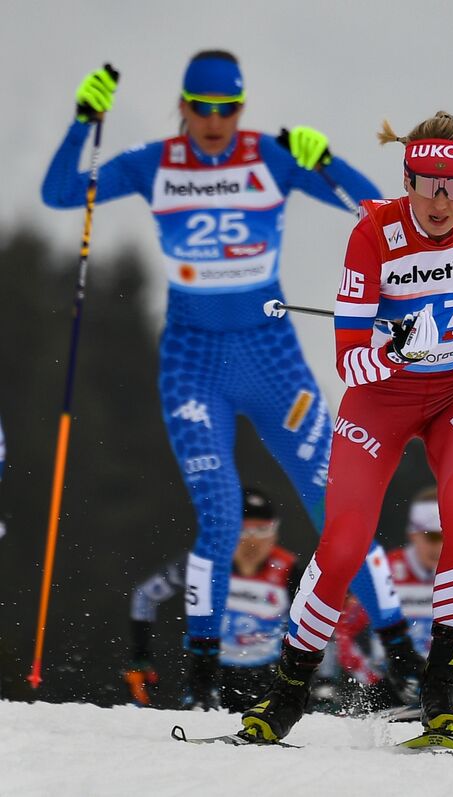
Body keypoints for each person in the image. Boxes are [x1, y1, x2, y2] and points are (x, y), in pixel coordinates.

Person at [40, 52, 412, 707]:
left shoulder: (270, 156)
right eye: (202, 108)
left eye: (227, 109)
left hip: (272, 361)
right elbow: (61, 193)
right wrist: (82, 120)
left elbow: (379, 211)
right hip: (193, 364)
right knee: (221, 517)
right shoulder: (155, 162)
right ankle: (203, 679)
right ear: (182, 105)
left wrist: (323, 159)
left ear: (242, 107)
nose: (213, 121)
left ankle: (408, 663)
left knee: (341, 508)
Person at [238, 110, 453, 746]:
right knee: (346, 542)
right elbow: (350, 359)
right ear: (406, 178)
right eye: (425, 182)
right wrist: (397, 349)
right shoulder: (374, 232)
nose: (439, 200)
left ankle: (443, 691)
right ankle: (287, 693)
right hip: (383, 397)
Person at [335, 486, 453, 702]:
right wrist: (372, 680)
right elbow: (343, 630)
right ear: (413, 533)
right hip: (396, 688)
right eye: (431, 537)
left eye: (446, 537)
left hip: (445, 686)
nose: (438, 546)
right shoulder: (388, 571)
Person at [125, 487, 299, 710]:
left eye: (263, 530)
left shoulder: (288, 568)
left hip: (268, 675)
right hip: (210, 672)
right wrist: (141, 656)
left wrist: (323, 684)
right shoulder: (204, 562)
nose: (252, 542)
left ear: (276, 533)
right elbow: (145, 595)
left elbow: (317, 621)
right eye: (244, 531)